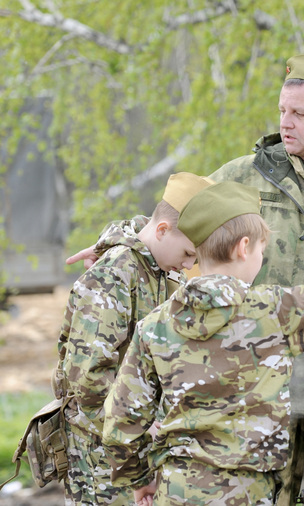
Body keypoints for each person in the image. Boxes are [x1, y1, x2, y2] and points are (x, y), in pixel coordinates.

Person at [67, 53, 304, 504]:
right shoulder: (246, 175)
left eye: (299, 114)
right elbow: (176, 223)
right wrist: (121, 244)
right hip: (248, 407)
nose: (286, 122)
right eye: (282, 110)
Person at [101, 181, 304, 505]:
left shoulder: (154, 326)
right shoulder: (273, 310)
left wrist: (138, 480)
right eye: (261, 250)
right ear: (244, 247)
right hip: (249, 491)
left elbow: (121, 419)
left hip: (177, 488)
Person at [52, 172, 214, 506]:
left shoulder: (156, 266)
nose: (188, 266)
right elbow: (89, 380)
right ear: (162, 230)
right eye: (187, 254)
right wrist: (137, 437)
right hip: (105, 461)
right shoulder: (115, 273)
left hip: (134, 449)